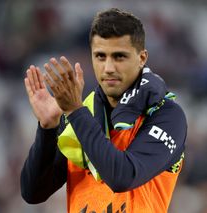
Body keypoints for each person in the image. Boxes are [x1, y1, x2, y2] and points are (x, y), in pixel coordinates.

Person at [21, 8, 187, 213]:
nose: (108, 67)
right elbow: (33, 192)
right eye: (100, 56)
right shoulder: (83, 113)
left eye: (119, 57)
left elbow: (123, 177)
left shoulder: (166, 115)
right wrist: (47, 128)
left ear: (142, 58)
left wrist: (75, 112)